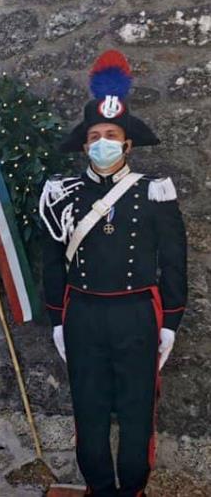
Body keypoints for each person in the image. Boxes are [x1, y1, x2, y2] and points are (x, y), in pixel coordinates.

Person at [39, 50, 187, 497]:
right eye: (95, 135)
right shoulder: (60, 195)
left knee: (138, 409)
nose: (103, 142)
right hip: (83, 314)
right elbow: (51, 261)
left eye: (112, 135)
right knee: (90, 409)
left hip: (138, 314)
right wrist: (57, 320)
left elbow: (174, 261)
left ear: (127, 144)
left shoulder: (153, 192)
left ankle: (133, 489)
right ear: (85, 145)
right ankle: (99, 488)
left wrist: (170, 323)